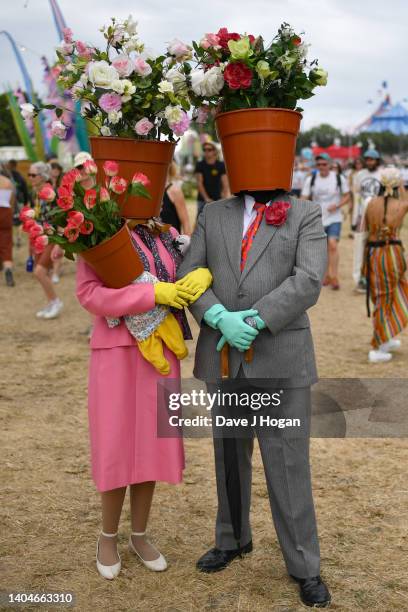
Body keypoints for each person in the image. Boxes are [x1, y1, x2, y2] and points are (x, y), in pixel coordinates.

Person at [177, 186, 331, 607]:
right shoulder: (212, 212)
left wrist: (258, 318)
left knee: (288, 461)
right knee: (228, 452)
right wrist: (216, 316)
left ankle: (304, 564)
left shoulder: (306, 213)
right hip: (222, 356)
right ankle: (232, 539)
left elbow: (309, 280)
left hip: (280, 355)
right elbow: (190, 270)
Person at [76, 211, 212, 579]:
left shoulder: (166, 233)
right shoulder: (97, 232)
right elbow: (89, 294)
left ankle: (139, 534)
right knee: (115, 443)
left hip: (162, 351)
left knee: (151, 444)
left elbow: (188, 276)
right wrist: (149, 293)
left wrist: (200, 273)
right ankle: (107, 536)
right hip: (116, 349)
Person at [362, 168, 408, 363]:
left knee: (380, 296)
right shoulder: (401, 204)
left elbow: (364, 230)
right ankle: (378, 346)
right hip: (391, 253)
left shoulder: (370, 203)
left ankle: (385, 335)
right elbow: (404, 198)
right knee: (386, 297)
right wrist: (399, 188)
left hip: (372, 252)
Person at [302, 153, 350, 290]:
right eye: (318, 165)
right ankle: (326, 275)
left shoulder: (339, 178)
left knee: (333, 245)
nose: (321, 167)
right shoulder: (311, 179)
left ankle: (334, 276)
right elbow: (304, 197)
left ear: (330, 164)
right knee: (322, 249)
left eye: (324, 164)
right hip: (317, 218)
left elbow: (347, 196)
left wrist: (338, 205)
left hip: (335, 217)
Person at [28, 161, 63, 319]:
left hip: (51, 238)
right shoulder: (37, 192)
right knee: (42, 272)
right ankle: (51, 302)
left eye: (33, 175)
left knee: (40, 272)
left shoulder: (49, 193)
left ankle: (55, 302)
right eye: (29, 175)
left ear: (42, 176)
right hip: (42, 237)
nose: (30, 178)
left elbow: (59, 217)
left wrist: (59, 241)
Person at [352, 149, 383, 292]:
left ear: (377, 160)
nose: (370, 162)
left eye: (372, 159)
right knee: (360, 248)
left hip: (378, 217)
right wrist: (355, 218)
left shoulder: (383, 174)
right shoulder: (360, 175)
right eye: (368, 159)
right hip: (361, 216)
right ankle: (359, 279)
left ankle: (375, 278)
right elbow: (356, 196)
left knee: (377, 247)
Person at [195, 142, 229, 217]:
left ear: (214, 151)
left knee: (217, 221)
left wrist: (224, 197)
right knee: (200, 222)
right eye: (204, 150)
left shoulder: (221, 165)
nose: (206, 152)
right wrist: (206, 198)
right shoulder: (200, 165)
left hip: (218, 199)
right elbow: (199, 183)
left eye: (209, 149)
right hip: (203, 199)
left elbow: (225, 183)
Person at [160, 162, 192, 235]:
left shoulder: (174, 191)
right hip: (153, 243)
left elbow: (186, 222)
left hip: (172, 242)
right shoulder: (150, 191)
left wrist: (188, 244)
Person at [0, 164, 16, 286]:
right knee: (6, 244)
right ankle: (8, 269)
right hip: (5, 212)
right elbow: (12, 201)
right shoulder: (7, 182)